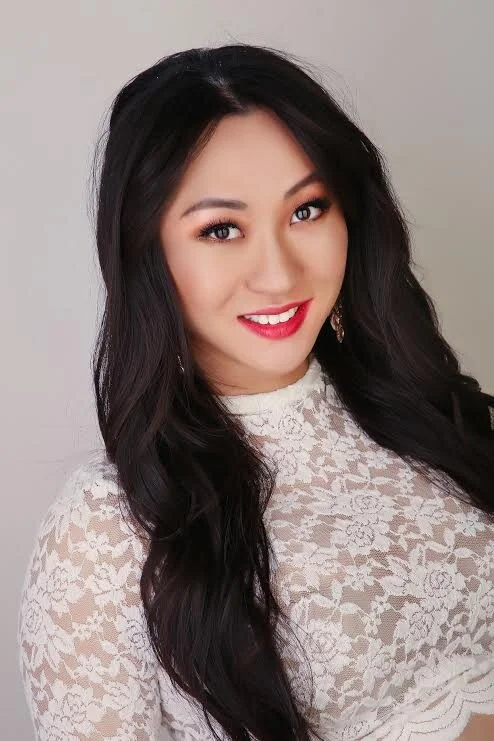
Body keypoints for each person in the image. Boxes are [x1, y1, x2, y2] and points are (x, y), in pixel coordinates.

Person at [17, 43, 494, 741]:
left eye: (307, 210)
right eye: (221, 229)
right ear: (148, 254)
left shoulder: (429, 414)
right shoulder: (108, 528)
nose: (279, 273)